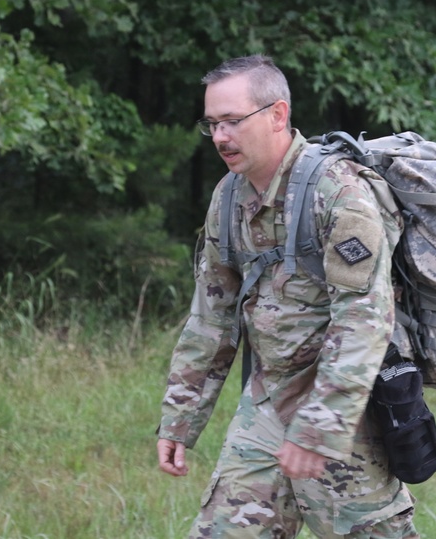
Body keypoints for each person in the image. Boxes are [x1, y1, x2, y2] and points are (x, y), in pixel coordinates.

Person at [156, 54, 419, 538]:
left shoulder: (339, 193)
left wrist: (319, 427)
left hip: (344, 417)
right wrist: (179, 419)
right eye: (212, 124)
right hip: (267, 404)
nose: (219, 137)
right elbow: (212, 316)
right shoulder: (229, 197)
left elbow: (364, 320)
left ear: (277, 115)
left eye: (233, 121)